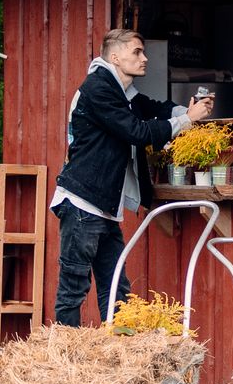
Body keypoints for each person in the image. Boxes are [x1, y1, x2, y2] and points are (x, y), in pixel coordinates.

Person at [49, 28, 213, 326]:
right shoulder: (98, 88)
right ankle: (64, 358)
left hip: (103, 207)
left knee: (117, 291)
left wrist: (185, 110)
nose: (145, 58)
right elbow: (136, 132)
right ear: (115, 56)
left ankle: (117, 354)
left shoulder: (119, 90)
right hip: (83, 202)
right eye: (137, 51)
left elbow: (149, 108)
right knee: (74, 288)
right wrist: (188, 120)